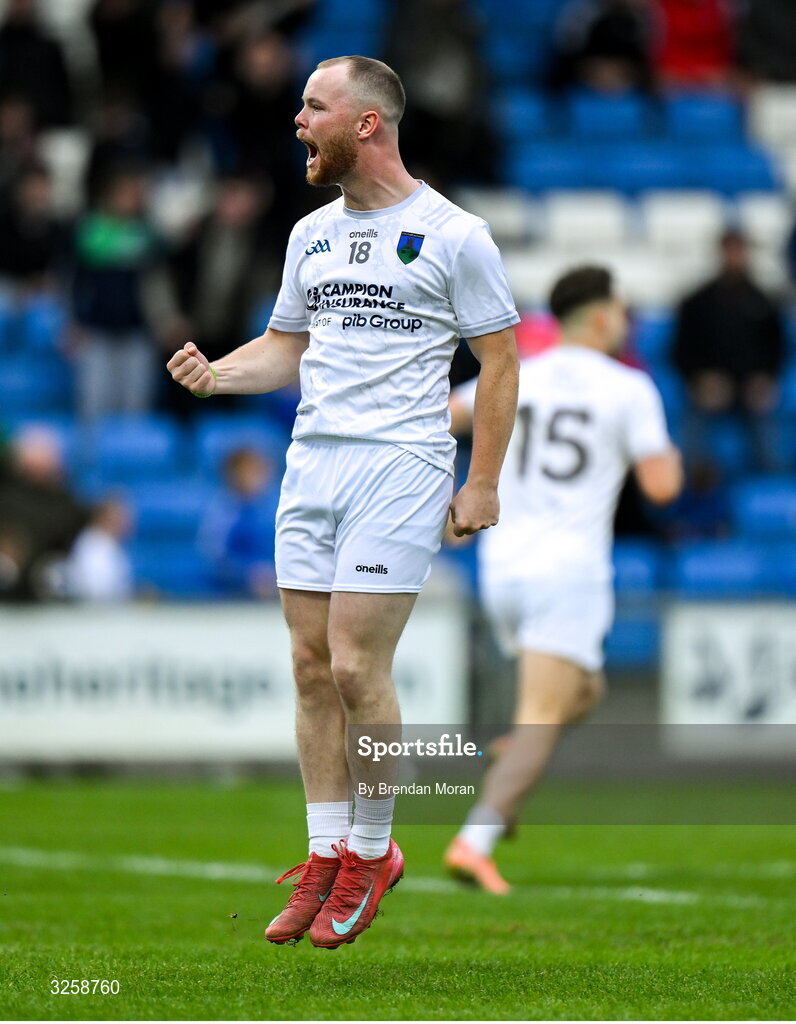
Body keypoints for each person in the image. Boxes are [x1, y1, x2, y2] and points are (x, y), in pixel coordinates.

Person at [167, 55, 519, 948]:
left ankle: (373, 850)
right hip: (311, 464)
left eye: (314, 106)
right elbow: (287, 347)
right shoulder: (310, 235)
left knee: (359, 665)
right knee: (310, 665)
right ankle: (325, 851)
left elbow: (502, 361)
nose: (297, 119)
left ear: (365, 123)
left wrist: (481, 480)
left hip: (399, 464)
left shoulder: (455, 234)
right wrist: (216, 376)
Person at [443, 265, 682, 893]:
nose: (627, 322)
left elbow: (446, 416)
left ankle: (514, 755)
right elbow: (663, 487)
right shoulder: (630, 387)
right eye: (622, 311)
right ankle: (478, 837)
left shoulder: (519, 373)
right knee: (545, 714)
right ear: (602, 317)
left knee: (586, 693)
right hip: (568, 572)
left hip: (502, 570)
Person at [672, 228, 786, 474]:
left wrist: (765, 379)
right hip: (709, 389)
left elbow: (777, 349)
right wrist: (700, 380)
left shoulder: (764, 301)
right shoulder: (697, 302)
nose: (735, 257)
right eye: (730, 251)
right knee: (692, 428)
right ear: (721, 253)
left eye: (740, 251)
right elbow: (681, 351)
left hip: (751, 390)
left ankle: (773, 490)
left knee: (768, 428)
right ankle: (690, 485)